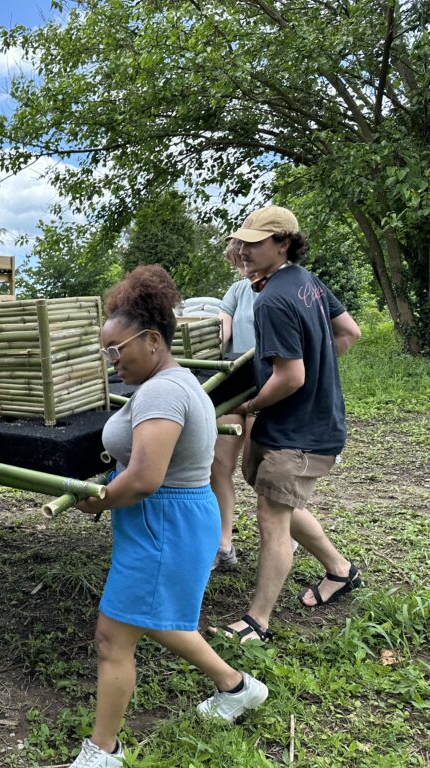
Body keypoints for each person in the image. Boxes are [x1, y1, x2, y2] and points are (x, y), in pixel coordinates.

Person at [67, 266, 267, 768]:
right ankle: (237, 687)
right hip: (170, 520)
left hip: (163, 521)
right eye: (105, 351)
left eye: (117, 350)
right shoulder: (177, 383)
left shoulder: (160, 392)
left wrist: (101, 498)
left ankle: (103, 751)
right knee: (155, 621)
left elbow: (144, 478)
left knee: (113, 637)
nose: (111, 362)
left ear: (152, 340)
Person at [213, 206, 362, 645]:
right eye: (241, 241)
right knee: (281, 502)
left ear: (283, 243)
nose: (243, 250)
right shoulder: (306, 282)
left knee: (271, 516)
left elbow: (290, 377)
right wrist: (317, 366)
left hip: (297, 430)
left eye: (255, 242)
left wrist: (251, 406)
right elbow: (349, 332)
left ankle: (257, 621)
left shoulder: (273, 299)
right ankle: (340, 571)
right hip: (311, 419)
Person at [209, 239, 256, 569]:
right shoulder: (238, 291)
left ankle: (286, 535)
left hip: (269, 391)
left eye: (247, 259)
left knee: (259, 472)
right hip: (235, 390)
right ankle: (223, 544)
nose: (244, 267)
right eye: (238, 262)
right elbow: (222, 329)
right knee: (217, 467)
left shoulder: (283, 291)